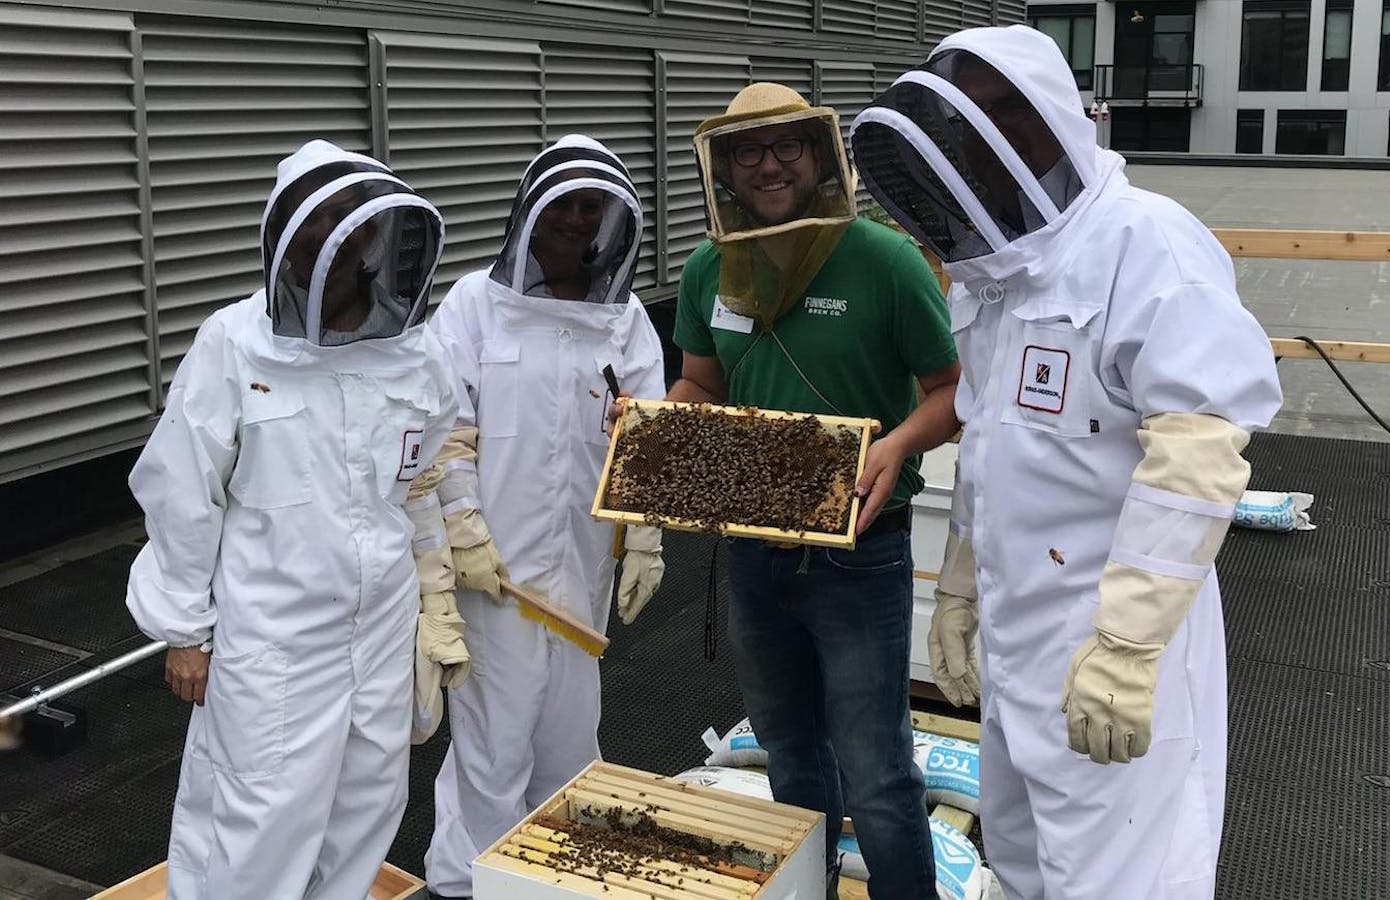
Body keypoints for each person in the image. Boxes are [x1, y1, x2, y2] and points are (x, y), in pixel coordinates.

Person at [850, 25, 1283, 900]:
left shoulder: (1145, 242)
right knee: (1021, 864)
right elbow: (993, 447)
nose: (973, 153)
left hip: (1118, 646)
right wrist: (961, 589)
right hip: (1021, 638)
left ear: (1044, 123)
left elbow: (1198, 449)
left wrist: (1126, 644)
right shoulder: (992, 281)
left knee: (1125, 877)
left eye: (995, 121)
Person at [125, 139, 458, 899]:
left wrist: (434, 586)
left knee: (366, 800)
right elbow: (182, 494)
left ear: (377, 236)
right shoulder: (234, 345)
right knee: (256, 817)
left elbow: (417, 475)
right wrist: (184, 630)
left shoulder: (414, 351)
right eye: (319, 223)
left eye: (350, 222)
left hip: (379, 630)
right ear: (285, 233)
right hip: (272, 638)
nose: (333, 241)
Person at [670, 83, 962, 899]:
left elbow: (951, 389)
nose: (769, 165)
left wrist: (898, 440)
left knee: (875, 769)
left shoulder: (885, 261)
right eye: (748, 151)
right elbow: (701, 383)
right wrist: (655, 426)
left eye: (786, 147)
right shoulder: (707, 269)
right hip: (754, 554)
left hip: (861, 556)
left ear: (820, 155)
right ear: (722, 167)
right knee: (790, 752)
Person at [420, 135, 667, 900]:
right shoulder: (472, 307)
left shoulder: (624, 324)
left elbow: (647, 440)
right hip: (494, 578)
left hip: (581, 578)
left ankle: (546, 884)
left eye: (592, 208)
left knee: (568, 746)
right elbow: (444, 432)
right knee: (492, 748)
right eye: (562, 204)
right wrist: (463, 528)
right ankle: (466, 887)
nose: (575, 220)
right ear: (530, 212)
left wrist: (646, 537)